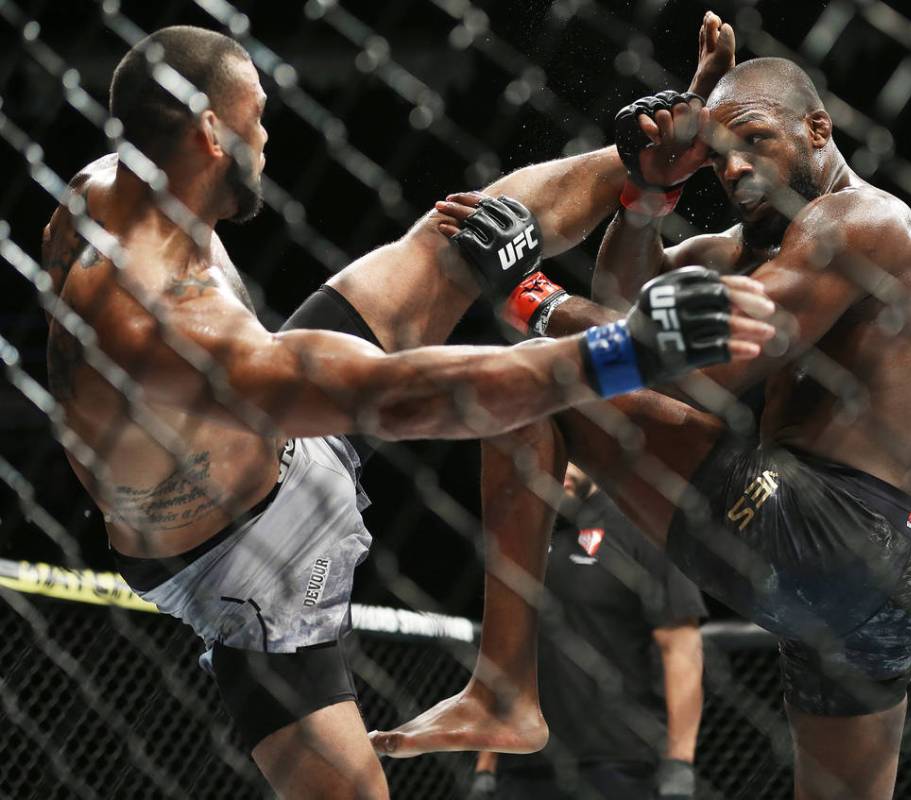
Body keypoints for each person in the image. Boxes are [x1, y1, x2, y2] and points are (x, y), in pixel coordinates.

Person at [43, 22, 773, 800]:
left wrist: (628, 167)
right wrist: (629, 349)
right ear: (212, 133)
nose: (267, 132)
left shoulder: (113, 188)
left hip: (268, 421)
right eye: (256, 115)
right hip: (245, 561)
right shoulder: (156, 323)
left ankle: (647, 169)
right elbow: (397, 396)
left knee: (469, 232)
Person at [370, 18, 911, 800]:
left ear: (818, 129)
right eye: (719, 156)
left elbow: (699, 367)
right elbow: (625, 307)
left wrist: (531, 296)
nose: (737, 168)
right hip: (887, 579)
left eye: (754, 140)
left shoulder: (864, 223)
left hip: (831, 523)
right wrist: (648, 190)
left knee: (538, 387)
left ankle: (503, 689)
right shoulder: (749, 247)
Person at [467, 462, 706, 800]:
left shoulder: (642, 527)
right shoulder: (522, 535)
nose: (562, 464)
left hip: (617, 764)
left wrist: (680, 761)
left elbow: (680, 646)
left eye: (572, 453)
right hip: (522, 764)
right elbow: (506, 657)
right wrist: (486, 764)